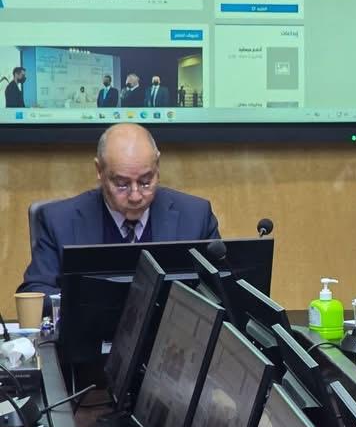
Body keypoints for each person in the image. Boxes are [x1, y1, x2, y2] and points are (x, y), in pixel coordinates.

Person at [19, 123, 221, 300]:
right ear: (99, 170)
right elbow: (36, 293)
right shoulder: (59, 221)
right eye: (122, 184)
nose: (135, 196)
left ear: (157, 166)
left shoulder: (195, 216)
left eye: (145, 182)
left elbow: (220, 291)